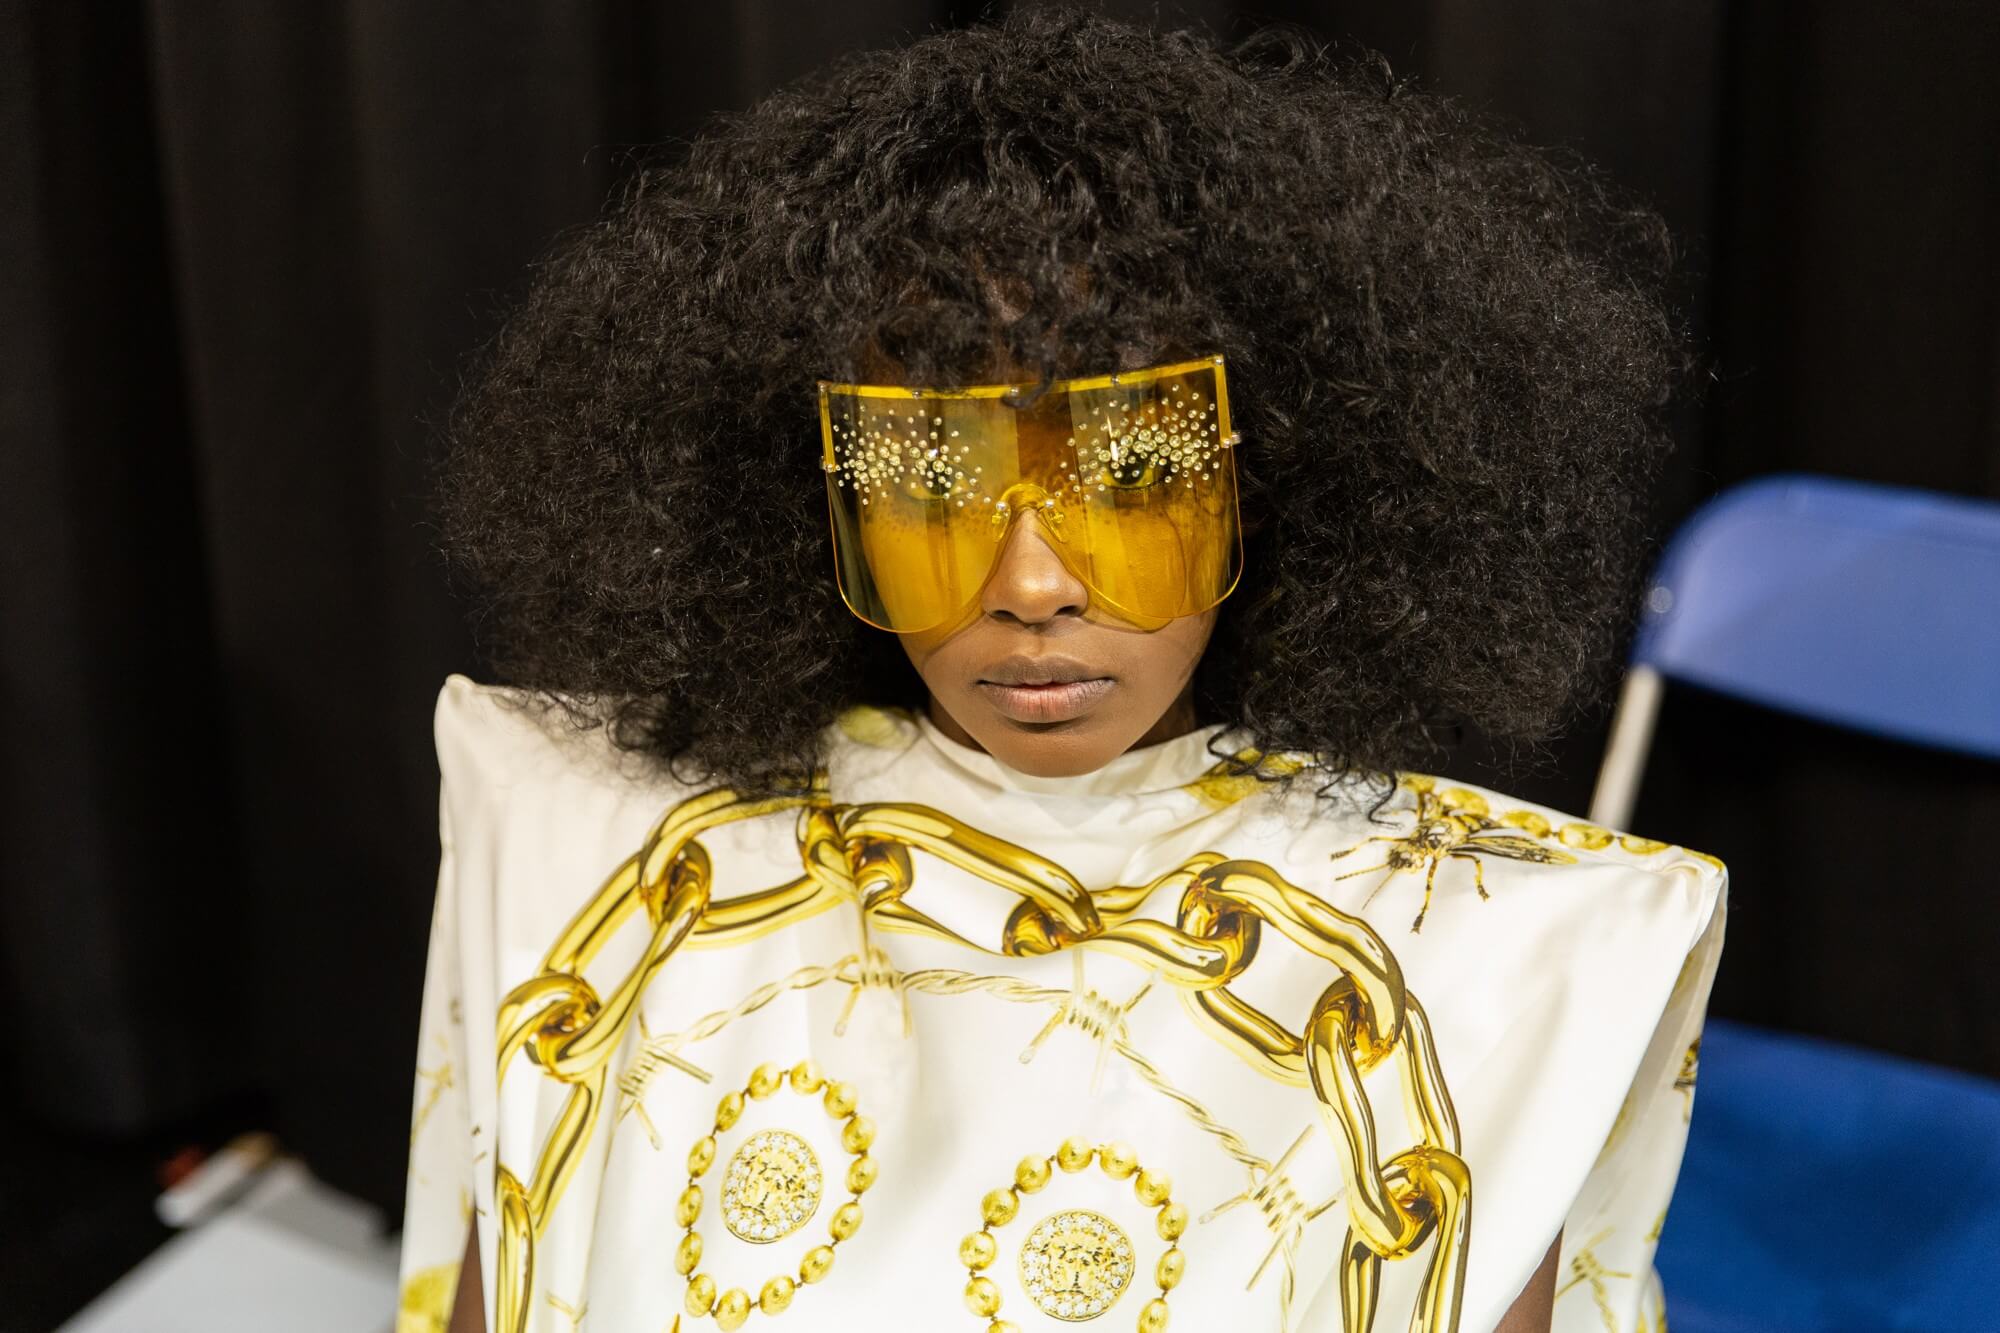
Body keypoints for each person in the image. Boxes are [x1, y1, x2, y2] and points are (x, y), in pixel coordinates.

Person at [394, 9, 1727, 1333]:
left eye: (1132, 474)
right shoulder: (596, 852)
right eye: (933, 484)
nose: (1032, 588)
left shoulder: (1483, 976)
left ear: (1265, 479)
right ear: (819, 500)